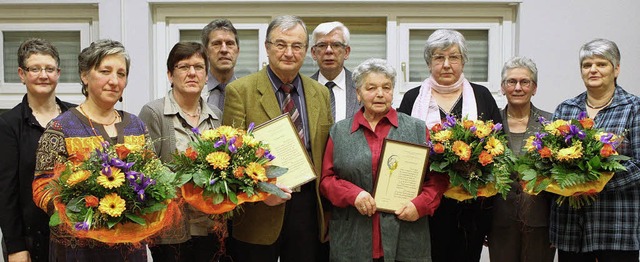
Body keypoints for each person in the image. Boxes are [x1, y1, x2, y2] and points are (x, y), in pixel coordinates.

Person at [222, 15, 333, 262]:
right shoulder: (241, 91)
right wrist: (262, 191)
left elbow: (326, 152)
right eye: (281, 44)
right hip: (259, 209)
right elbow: (231, 158)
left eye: (297, 46)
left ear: (307, 51)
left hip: (307, 208)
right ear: (267, 47)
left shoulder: (320, 93)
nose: (289, 53)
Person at [319, 58, 447, 261]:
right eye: (371, 88)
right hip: (353, 235)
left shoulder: (416, 129)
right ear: (358, 93)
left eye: (386, 87)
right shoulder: (340, 131)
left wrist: (420, 205)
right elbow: (326, 179)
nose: (380, 94)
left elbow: (437, 178)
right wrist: (353, 194)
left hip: (406, 233)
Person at [32, 39, 148, 261]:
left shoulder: (137, 125)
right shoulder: (60, 127)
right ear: (85, 76)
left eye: (121, 74)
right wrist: (78, 210)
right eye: (105, 71)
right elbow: (41, 185)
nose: (114, 81)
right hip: (78, 248)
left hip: (130, 248)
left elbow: (151, 178)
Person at [397, 29, 502, 262]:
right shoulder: (412, 98)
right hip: (425, 205)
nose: (446, 64)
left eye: (453, 57)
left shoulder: (482, 96)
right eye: (438, 57)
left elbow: (498, 148)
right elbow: (400, 148)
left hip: (471, 206)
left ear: (463, 61)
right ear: (428, 62)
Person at [550, 38, 640, 262]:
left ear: (616, 69)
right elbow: (549, 159)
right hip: (570, 229)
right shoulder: (566, 108)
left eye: (601, 64)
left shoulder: (634, 109)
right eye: (587, 65)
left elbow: (639, 166)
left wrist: (593, 184)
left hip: (615, 228)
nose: (593, 70)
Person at [139, 42, 223, 262]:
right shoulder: (154, 113)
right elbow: (147, 170)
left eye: (198, 67)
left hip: (210, 226)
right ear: (170, 74)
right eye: (183, 67)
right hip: (171, 230)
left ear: (207, 76)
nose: (192, 73)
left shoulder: (216, 115)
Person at [0, 38, 75, 262]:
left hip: (77, 235)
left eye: (49, 69)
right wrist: (15, 247)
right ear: (22, 74)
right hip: (31, 240)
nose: (43, 75)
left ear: (58, 73)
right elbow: (6, 192)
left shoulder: (76, 117)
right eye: (35, 69)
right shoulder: (8, 124)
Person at [487, 56, 554, 262]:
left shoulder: (551, 124)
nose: (518, 87)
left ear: (534, 88)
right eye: (511, 82)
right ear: (502, 87)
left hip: (541, 221)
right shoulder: (489, 126)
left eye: (525, 82)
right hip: (500, 221)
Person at [310, 21, 359, 121]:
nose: (329, 51)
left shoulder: (361, 86)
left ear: (346, 52)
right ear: (313, 53)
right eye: (322, 45)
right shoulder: (303, 88)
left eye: (336, 45)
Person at [202, 18, 239, 113]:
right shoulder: (194, 91)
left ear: (237, 51)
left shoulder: (248, 92)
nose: (224, 50)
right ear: (206, 52)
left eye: (230, 43)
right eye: (216, 44)